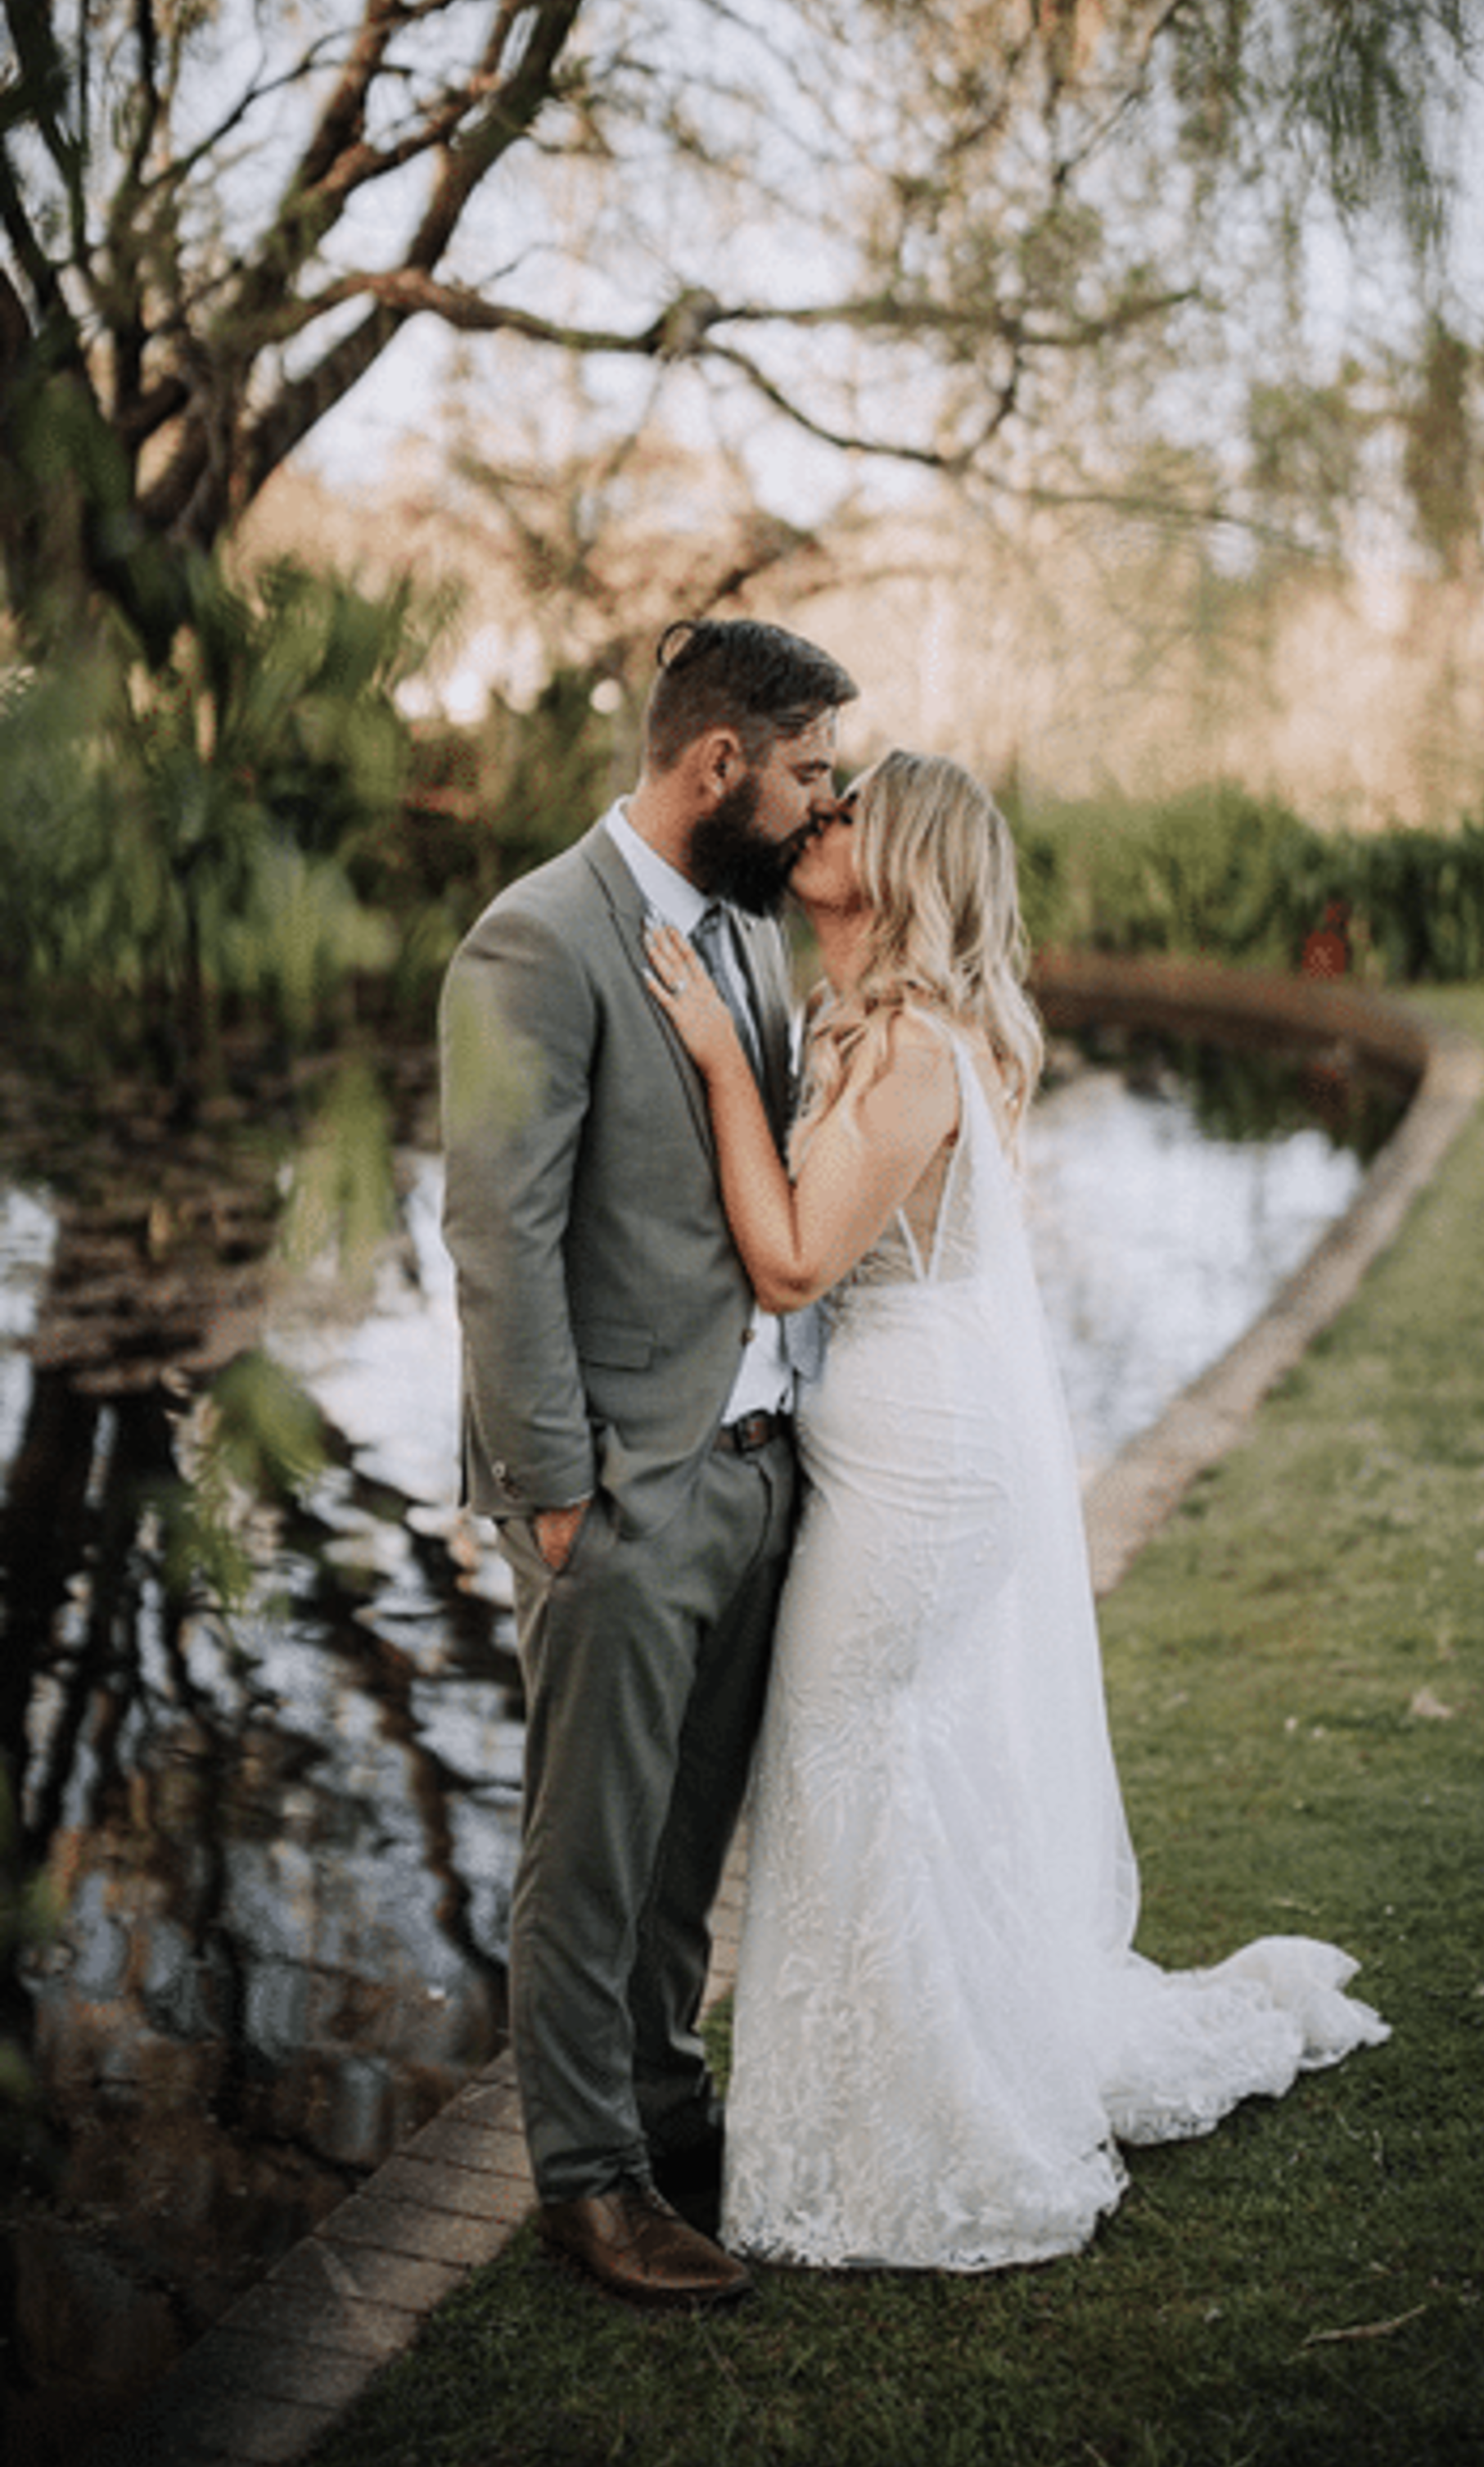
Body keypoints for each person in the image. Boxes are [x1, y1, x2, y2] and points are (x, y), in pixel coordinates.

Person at [647, 748, 1389, 2272]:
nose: (817, 821)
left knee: (846, 1748)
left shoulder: (916, 1047)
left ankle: (918, 2138)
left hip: (923, 1459)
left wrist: (724, 1064)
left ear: (906, 864)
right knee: (882, 1760)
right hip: (900, 1438)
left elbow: (792, 1263)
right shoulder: (880, 1027)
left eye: (849, 815)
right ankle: (871, 2107)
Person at [439, 617, 858, 2308]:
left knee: (686, 1850)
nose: (824, 806)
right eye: (810, 772)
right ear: (718, 765)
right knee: (590, 1855)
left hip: (755, 1475)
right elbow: (497, 1234)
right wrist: (555, 1495)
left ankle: (666, 2108)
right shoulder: (534, 940)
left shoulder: (746, 937)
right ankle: (589, 2183)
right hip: (621, 1492)